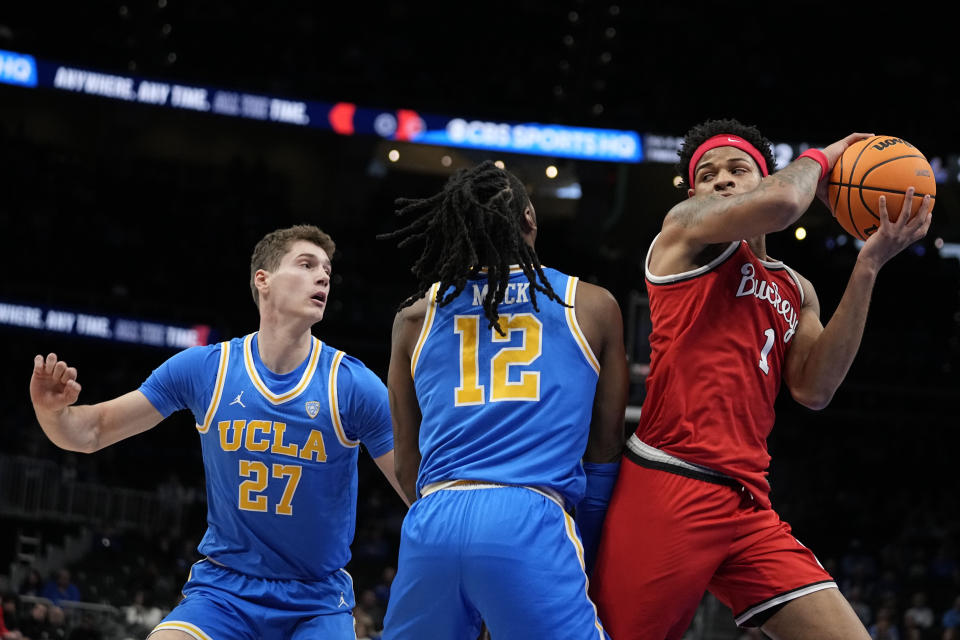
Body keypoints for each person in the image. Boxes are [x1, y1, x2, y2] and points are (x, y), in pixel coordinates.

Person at [590, 118, 933, 640]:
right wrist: (823, 157)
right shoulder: (683, 228)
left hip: (747, 501)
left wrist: (867, 268)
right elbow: (782, 205)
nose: (721, 180)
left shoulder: (797, 289)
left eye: (737, 169)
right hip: (670, 479)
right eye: (708, 174)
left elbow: (814, 389)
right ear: (693, 191)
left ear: (764, 177)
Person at [30, 224, 409, 640]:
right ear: (262, 280)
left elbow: (418, 492)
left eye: (327, 271)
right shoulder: (206, 368)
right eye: (306, 264)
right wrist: (52, 414)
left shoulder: (352, 384)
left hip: (315, 602)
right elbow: (91, 432)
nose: (322, 276)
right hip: (224, 591)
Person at [377, 161, 628, 639]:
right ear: (530, 218)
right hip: (529, 518)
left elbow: (407, 467)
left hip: (433, 519)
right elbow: (604, 452)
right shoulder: (592, 305)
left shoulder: (413, 317)